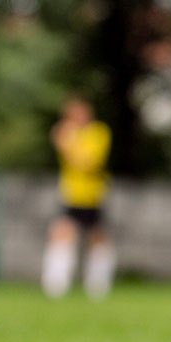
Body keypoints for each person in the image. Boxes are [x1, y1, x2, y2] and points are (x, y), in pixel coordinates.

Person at [42, 97, 115, 299]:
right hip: (70, 193)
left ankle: (98, 286)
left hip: (93, 195)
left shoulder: (98, 132)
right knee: (61, 234)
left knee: (97, 238)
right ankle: (56, 285)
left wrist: (68, 144)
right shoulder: (65, 132)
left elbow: (89, 162)